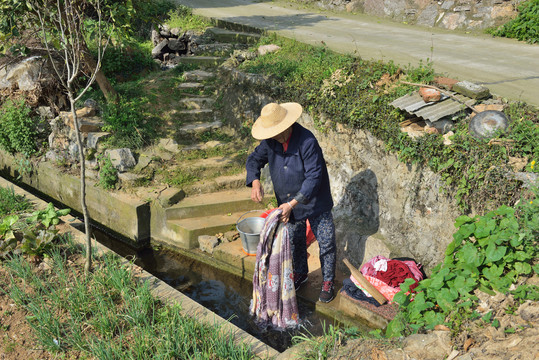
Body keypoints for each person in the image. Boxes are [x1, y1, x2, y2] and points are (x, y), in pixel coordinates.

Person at [245, 102, 337, 303]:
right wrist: (255, 181)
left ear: (287, 126)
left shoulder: (307, 141)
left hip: (314, 201)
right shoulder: (270, 142)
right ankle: (300, 274)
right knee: (295, 242)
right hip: (287, 202)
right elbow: (254, 160)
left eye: (277, 132)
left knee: (326, 241)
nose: (275, 136)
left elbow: (314, 177)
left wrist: (293, 203)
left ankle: (328, 281)